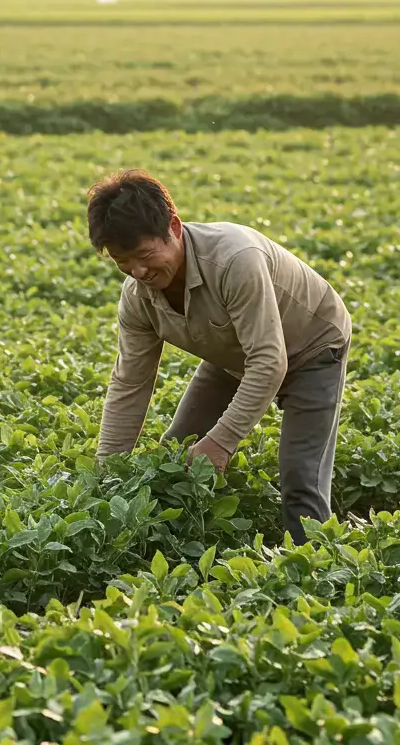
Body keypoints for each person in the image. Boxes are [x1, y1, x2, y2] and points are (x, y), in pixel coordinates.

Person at [87, 168, 351, 545]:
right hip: (236, 350)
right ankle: (179, 549)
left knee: (300, 479)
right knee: (175, 455)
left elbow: (268, 360)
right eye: (122, 262)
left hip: (312, 347)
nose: (138, 271)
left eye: (145, 255)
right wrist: (106, 473)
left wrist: (221, 441)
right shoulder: (137, 299)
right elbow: (130, 384)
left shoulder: (234, 260)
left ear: (174, 227)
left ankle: (317, 576)